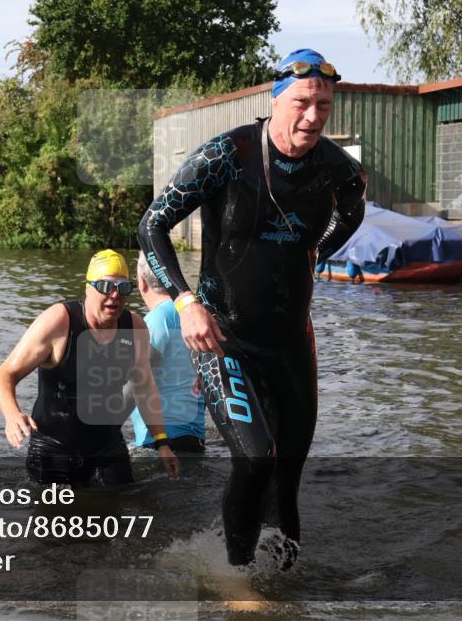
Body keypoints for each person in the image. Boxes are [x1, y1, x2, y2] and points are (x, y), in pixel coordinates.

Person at [138, 49, 366, 567]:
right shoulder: (227, 154)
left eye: (324, 106)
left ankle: (285, 586)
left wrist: (314, 253)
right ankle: (238, 582)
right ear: (278, 96)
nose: (313, 117)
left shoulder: (340, 172)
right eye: (304, 103)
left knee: (286, 479)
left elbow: (349, 219)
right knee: (254, 461)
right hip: (225, 337)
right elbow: (152, 225)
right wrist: (186, 301)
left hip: (290, 342)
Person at [0, 250, 179, 486]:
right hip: (54, 448)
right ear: (88, 287)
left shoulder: (134, 328)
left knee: (119, 517)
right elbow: (4, 375)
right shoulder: (59, 321)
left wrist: (162, 442)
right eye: (105, 286)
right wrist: (11, 415)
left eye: (123, 288)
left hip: (107, 447)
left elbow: (145, 388)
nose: (114, 295)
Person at [128, 252, 206, 454]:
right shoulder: (194, 316)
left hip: (162, 440)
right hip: (194, 436)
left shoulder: (157, 319)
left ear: (141, 282)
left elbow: (136, 378)